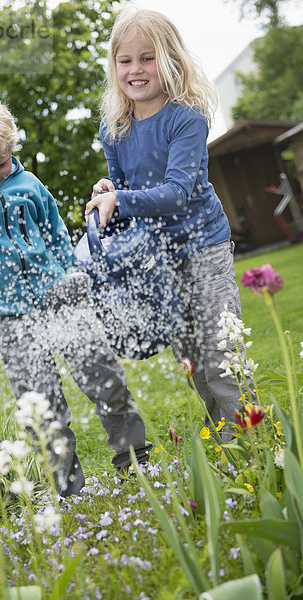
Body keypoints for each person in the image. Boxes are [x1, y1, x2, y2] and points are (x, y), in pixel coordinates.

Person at [0, 91, 152, 497]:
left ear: (11, 148)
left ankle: (135, 460)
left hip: (60, 296)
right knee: (42, 405)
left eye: (0, 164)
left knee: (105, 378)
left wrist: (70, 272)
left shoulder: (28, 183)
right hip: (8, 315)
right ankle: (67, 488)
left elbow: (52, 232)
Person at [85, 9, 255, 436]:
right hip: (157, 259)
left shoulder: (187, 117)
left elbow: (177, 193)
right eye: (126, 61)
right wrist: (110, 190)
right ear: (114, 66)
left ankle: (254, 443)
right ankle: (230, 445)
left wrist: (121, 199)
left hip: (204, 248)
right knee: (195, 363)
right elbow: (125, 190)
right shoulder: (114, 127)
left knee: (223, 358)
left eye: (148, 58)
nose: (136, 69)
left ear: (171, 61)